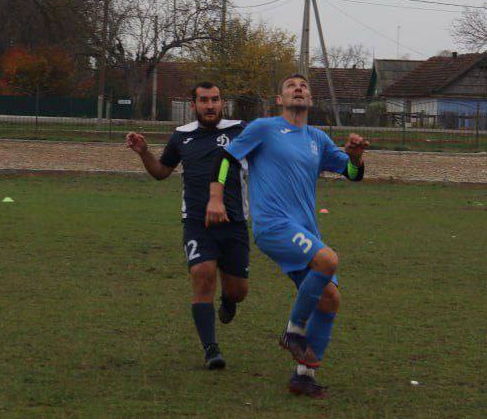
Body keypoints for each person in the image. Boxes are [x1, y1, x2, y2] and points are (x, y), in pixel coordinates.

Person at [217, 73, 368, 397]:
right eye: (291, 86)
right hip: (273, 225)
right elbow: (226, 158)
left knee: (330, 298)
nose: (298, 88)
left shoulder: (318, 139)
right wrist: (216, 198)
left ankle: (304, 377)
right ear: (279, 100)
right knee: (328, 260)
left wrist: (356, 157)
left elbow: (352, 174)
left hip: (304, 230)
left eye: (304, 86)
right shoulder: (263, 128)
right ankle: (293, 331)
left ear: (310, 99)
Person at [126, 82, 249, 370]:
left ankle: (228, 299)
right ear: (193, 105)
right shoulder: (181, 136)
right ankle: (211, 349)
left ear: (222, 103)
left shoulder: (240, 130)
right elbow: (161, 172)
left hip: (234, 222)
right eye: (204, 100)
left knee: (238, 291)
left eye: (215, 99)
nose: (210, 105)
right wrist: (144, 153)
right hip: (196, 222)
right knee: (202, 275)